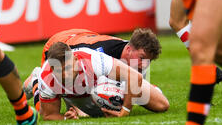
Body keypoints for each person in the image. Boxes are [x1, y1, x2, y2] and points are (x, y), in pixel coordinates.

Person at [23, 28, 169, 117]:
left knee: (158, 103)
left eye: (148, 61)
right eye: (142, 59)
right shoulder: (96, 55)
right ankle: (36, 82)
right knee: (46, 108)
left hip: (85, 37)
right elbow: (69, 75)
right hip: (60, 44)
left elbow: (134, 82)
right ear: (129, 50)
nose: (145, 65)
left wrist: (125, 108)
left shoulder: (133, 55)